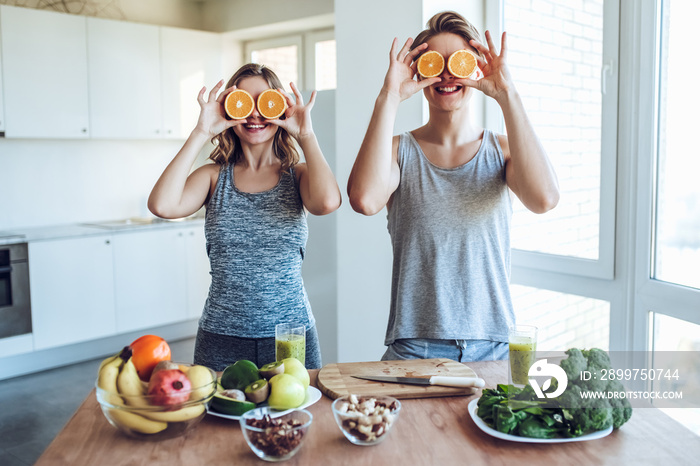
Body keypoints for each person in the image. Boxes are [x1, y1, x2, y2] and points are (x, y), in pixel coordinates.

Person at [347, 11, 559, 362]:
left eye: (457, 62)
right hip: (413, 349)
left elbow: (545, 199)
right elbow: (365, 199)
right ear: (418, 72)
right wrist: (390, 95)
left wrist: (508, 94)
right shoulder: (398, 153)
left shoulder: (503, 150)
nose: (446, 73)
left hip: (495, 347)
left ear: (475, 69)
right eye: (434, 63)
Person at [148, 63, 341, 370]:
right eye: (243, 103)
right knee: (218, 419)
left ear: (281, 107)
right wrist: (201, 131)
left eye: (264, 102)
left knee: (296, 417)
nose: (253, 114)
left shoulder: (298, 175)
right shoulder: (212, 178)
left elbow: (328, 202)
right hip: (221, 336)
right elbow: (162, 205)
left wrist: (306, 134)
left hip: (289, 336)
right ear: (228, 110)